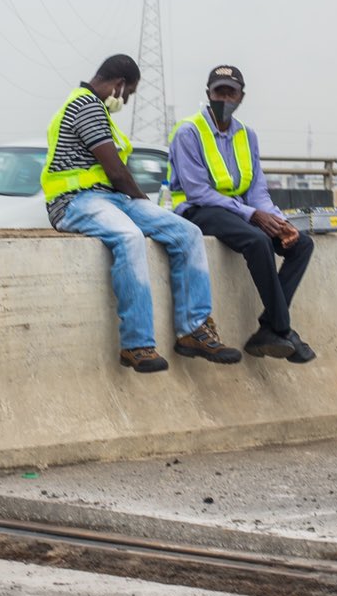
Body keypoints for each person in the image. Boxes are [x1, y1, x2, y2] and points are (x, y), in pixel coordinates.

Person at [44, 55, 243, 373]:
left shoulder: (99, 110)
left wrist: (140, 204)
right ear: (119, 85)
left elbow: (116, 179)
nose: (125, 100)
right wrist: (143, 204)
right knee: (129, 236)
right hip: (73, 202)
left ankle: (193, 329)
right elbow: (117, 172)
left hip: (110, 200)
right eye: (129, 94)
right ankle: (137, 344)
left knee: (186, 233)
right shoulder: (85, 106)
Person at [166, 64, 317, 363]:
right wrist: (252, 215)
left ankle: (269, 328)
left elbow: (257, 189)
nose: (224, 98)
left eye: (230, 92)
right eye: (218, 91)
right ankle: (284, 329)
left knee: (301, 243)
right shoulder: (189, 132)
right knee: (256, 241)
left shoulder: (248, 136)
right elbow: (197, 191)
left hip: (238, 211)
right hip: (198, 210)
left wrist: (278, 221)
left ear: (241, 96)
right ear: (208, 94)